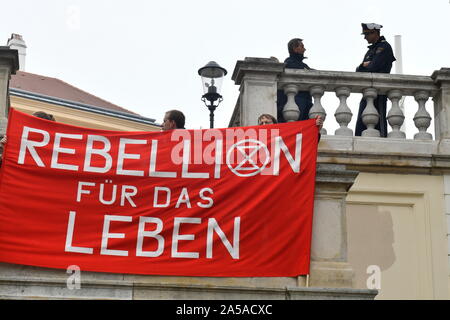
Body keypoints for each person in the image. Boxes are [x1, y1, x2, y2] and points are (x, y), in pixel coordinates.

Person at [355, 23, 396, 137]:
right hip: (368, 91)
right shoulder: (371, 50)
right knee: (361, 125)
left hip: (379, 90)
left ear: (375, 33)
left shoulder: (384, 47)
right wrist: (363, 65)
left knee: (379, 124)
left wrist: (364, 66)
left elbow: (374, 67)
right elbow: (358, 71)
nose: (365, 37)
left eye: (367, 34)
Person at [276, 38, 314, 123]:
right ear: (295, 48)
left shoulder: (302, 65)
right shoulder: (289, 64)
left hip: (303, 102)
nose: (305, 49)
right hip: (296, 103)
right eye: (302, 46)